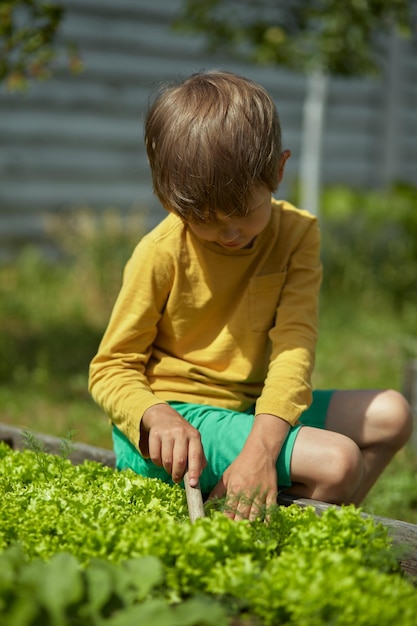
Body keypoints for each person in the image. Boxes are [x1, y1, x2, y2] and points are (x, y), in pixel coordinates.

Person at [89, 70, 412, 521]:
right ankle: (248, 539)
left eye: (243, 211)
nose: (229, 233)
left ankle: (282, 530)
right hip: (181, 423)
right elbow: (111, 366)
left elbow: (293, 347)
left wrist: (260, 449)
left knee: (391, 412)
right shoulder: (161, 252)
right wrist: (156, 416)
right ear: (170, 200)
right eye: (205, 219)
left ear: (278, 171)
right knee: (338, 462)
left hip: (249, 405)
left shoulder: (298, 234)